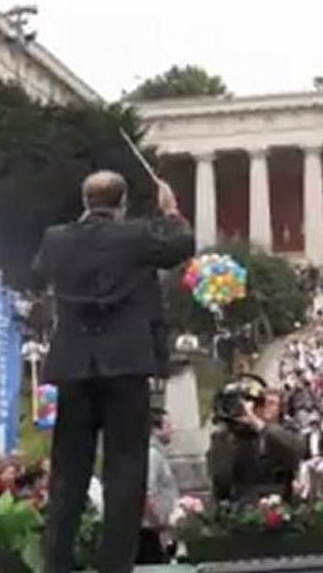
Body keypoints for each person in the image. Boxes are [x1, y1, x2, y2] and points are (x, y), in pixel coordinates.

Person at [34, 171, 194, 573]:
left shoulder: (57, 238)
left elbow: (41, 269)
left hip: (73, 364)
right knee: (126, 465)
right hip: (125, 363)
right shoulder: (135, 236)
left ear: (85, 201)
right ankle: (114, 565)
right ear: (121, 203)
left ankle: (58, 561)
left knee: (68, 468)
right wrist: (171, 211)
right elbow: (180, 246)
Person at [209, 389, 304, 504]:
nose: (265, 407)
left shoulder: (289, 430)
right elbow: (221, 479)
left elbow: (294, 452)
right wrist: (229, 425)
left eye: (271, 403)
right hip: (242, 504)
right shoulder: (235, 435)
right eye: (262, 402)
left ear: (281, 409)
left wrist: (258, 424)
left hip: (278, 502)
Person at [138, 408, 179, 566]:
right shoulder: (152, 455)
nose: (173, 429)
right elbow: (147, 494)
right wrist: (159, 525)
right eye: (168, 425)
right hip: (151, 532)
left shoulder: (156, 454)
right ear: (155, 429)